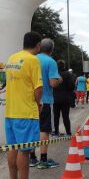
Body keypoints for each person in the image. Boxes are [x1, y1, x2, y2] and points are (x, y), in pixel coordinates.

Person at [5, 31, 43, 179]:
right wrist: (38, 103)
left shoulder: (11, 58)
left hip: (10, 112)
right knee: (25, 151)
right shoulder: (33, 60)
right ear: (38, 45)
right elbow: (38, 88)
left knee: (12, 148)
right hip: (26, 112)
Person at [31, 38, 62, 169]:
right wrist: (59, 79)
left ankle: (31, 158)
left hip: (30, 100)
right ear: (51, 50)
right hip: (45, 100)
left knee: (33, 129)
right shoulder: (50, 61)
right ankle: (43, 159)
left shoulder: (31, 59)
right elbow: (53, 83)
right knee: (44, 129)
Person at [53, 60, 75, 137]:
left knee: (56, 116)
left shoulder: (54, 74)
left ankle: (56, 132)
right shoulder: (67, 74)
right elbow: (72, 86)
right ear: (64, 66)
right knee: (65, 116)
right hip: (66, 98)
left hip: (55, 98)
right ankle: (68, 133)